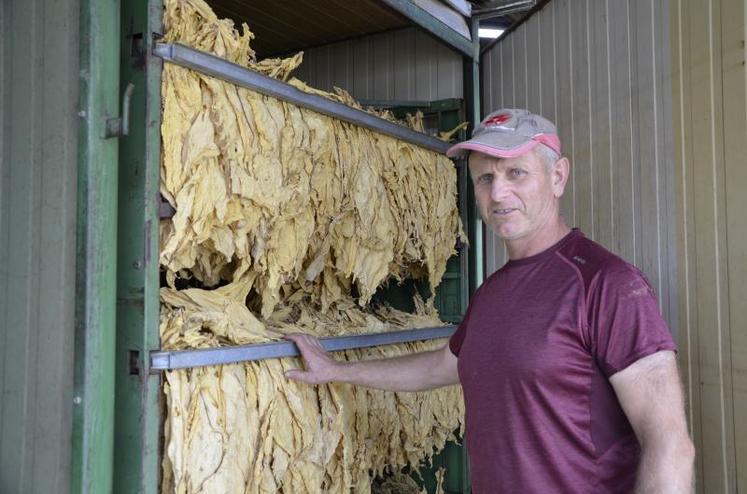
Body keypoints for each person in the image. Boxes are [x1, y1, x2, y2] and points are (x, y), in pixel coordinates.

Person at [285, 109, 695, 493]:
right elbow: (441, 367)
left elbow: (669, 442)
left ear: (558, 177)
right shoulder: (492, 292)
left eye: (516, 173)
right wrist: (337, 371)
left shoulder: (607, 285)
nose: (498, 193)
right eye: (484, 178)